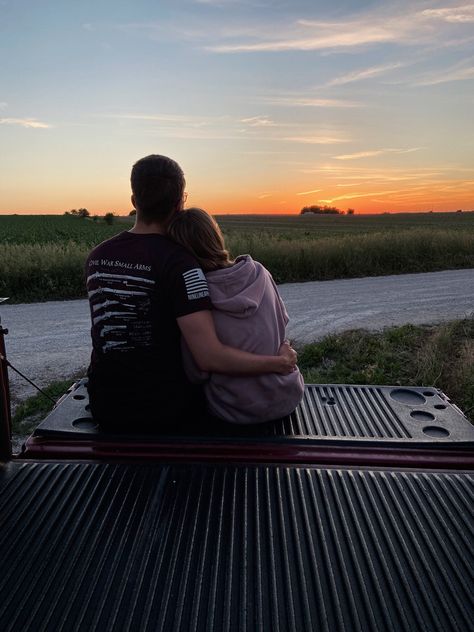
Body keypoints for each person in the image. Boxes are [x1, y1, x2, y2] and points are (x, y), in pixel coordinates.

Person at [86, 154, 297, 432]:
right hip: (166, 408)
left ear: (134, 201)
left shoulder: (98, 256)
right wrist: (279, 362)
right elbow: (209, 357)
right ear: (179, 203)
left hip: (107, 403)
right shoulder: (182, 265)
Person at [168, 207, 304, 424]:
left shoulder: (196, 298)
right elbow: (281, 324)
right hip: (286, 396)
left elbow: (197, 373)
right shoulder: (260, 272)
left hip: (234, 410)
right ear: (215, 236)